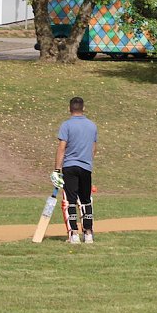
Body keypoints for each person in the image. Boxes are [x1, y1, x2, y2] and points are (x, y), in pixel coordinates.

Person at [52, 97, 98, 244]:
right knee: (86, 200)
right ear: (83, 108)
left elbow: (61, 148)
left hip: (70, 167)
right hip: (86, 167)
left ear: (69, 109)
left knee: (70, 201)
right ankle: (88, 233)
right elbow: (93, 147)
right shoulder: (92, 126)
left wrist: (57, 170)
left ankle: (74, 235)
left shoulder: (66, 125)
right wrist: (88, 161)